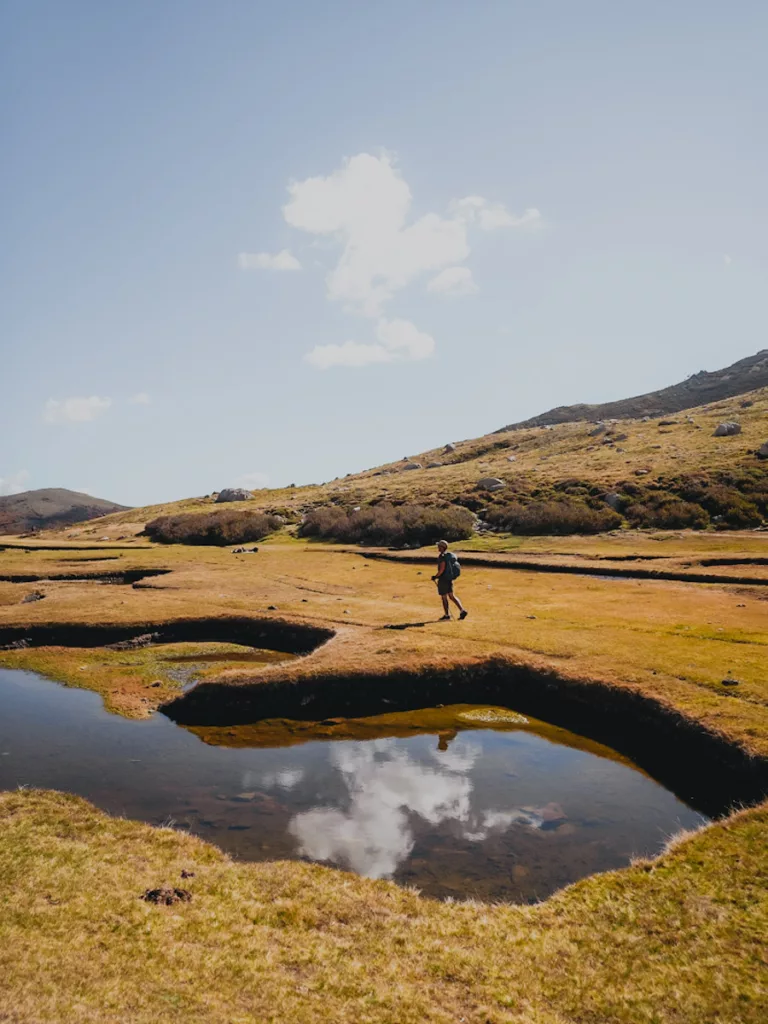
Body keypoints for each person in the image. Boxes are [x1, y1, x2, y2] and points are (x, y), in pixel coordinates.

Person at [431, 540, 468, 621]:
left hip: (443, 579)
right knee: (451, 596)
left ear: (442, 547)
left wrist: (435, 576)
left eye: (439, 546)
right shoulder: (449, 556)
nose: (438, 547)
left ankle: (447, 615)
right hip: (449, 579)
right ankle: (462, 610)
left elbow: (442, 569)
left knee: (444, 597)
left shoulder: (442, 557)